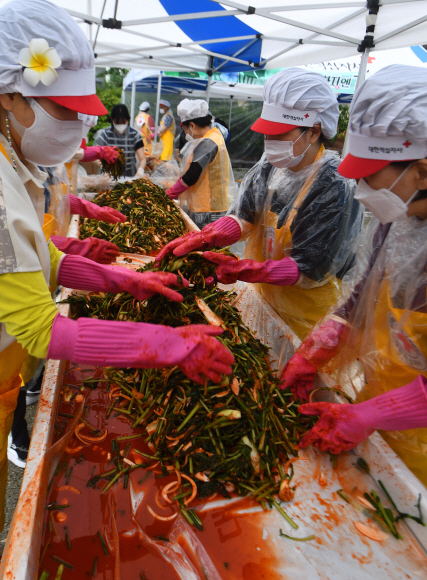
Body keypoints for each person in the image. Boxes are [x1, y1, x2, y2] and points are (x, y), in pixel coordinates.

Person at [0, 0, 234, 529]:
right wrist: (172, 345)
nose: (78, 123)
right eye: (65, 108)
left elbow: (45, 256)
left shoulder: (14, 163)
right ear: (11, 93)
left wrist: (127, 281)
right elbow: (40, 330)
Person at [280, 64, 427, 487]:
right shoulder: (397, 217)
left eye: (370, 172)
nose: (360, 186)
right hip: (383, 402)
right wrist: (325, 341)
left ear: (422, 168)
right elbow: (364, 291)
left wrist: (374, 413)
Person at [158, 70, 363, 339]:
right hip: (261, 299)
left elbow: (310, 268)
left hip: (307, 318)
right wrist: (210, 235)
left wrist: (249, 269)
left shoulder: (335, 185)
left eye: (278, 134)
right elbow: (245, 215)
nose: (270, 143)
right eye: (267, 134)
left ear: (313, 132)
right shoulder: (269, 165)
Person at [165, 99, 237, 229]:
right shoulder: (214, 136)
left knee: (204, 244)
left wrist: (168, 194)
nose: (186, 134)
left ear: (192, 125)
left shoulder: (209, 142)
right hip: (210, 205)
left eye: (185, 130)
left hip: (208, 209)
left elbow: (192, 175)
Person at [95, 104, 146, 177]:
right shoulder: (106, 134)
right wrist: (104, 168)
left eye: (123, 122)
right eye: (117, 122)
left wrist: (140, 170)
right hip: (110, 174)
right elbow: (96, 156)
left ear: (128, 119)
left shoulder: (134, 135)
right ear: (112, 119)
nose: (120, 125)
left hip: (130, 174)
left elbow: (142, 158)